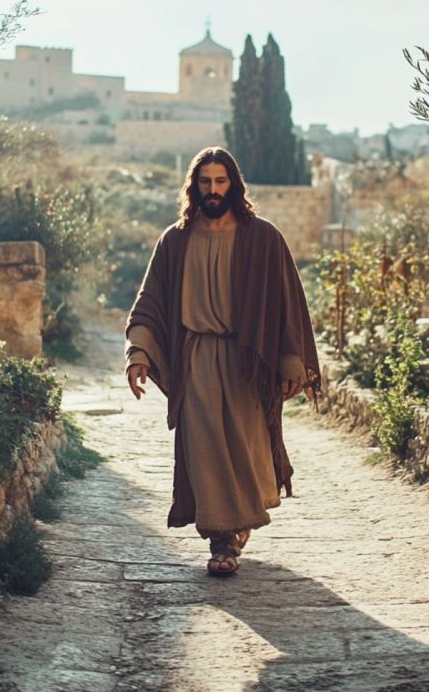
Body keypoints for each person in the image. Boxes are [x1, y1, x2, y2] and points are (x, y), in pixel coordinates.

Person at [124, 146, 320, 577]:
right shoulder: (175, 241)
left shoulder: (263, 237)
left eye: (220, 181)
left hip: (248, 361)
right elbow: (149, 303)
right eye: (205, 182)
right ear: (193, 186)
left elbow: (287, 302)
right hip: (195, 360)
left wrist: (291, 361)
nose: (212, 190)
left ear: (234, 185)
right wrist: (139, 353)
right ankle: (221, 540)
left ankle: (238, 524)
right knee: (205, 450)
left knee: (247, 450)